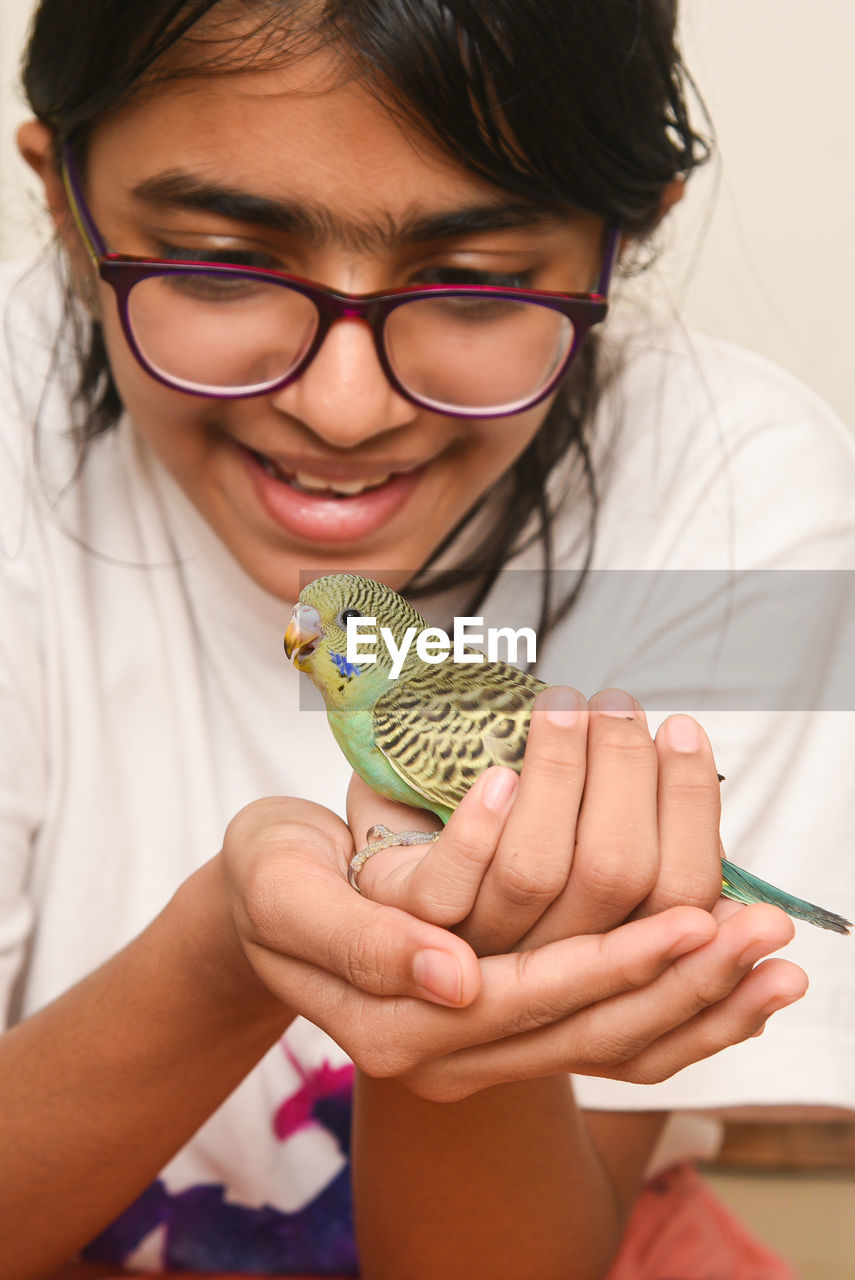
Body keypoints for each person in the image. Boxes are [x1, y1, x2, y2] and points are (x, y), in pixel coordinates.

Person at [1, 2, 853, 1278]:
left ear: (634, 237)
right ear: (65, 206)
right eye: (223, 261)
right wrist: (229, 951)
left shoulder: (747, 503)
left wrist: (453, 984)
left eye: (481, 284)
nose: (343, 407)